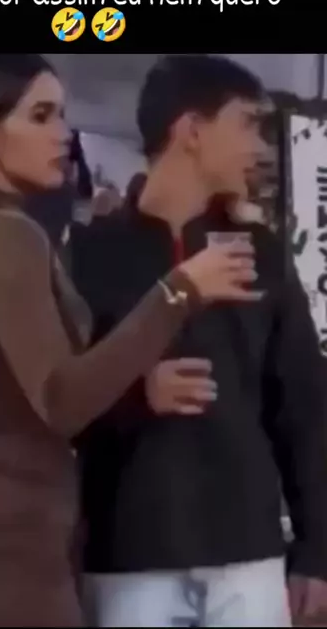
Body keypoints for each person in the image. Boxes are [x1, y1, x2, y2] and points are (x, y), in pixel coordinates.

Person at [0, 54, 259, 628]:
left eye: (62, 115)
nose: (63, 134)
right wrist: (180, 289)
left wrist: (139, 385)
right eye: (41, 116)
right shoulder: (6, 236)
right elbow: (61, 400)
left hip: (10, 550)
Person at [72, 55, 327, 628]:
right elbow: (55, 406)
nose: (261, 148)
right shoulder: (89, 254)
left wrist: (317, 549)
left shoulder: (262, 253)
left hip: (249, 558)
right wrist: (135, 397)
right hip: (128, 560)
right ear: (190, 130)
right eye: (247, 124)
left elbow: (305, 408)